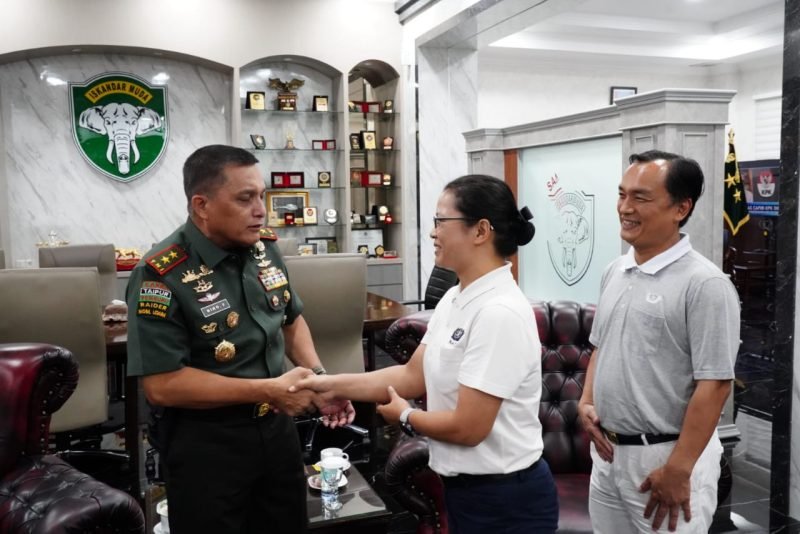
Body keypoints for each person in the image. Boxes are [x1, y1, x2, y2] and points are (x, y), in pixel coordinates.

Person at [291, 174, 559, 533]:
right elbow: (411, 375)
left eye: (440, 221)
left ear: (481, 231)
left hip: (506, 499)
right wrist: (329, 385)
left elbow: (469, 428)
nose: (433, 232)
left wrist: (406, 416)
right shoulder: (456, 297)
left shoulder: (499, 313)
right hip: (468, 491)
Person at [126, 144, 353, 534]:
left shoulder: (263, 249)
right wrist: (268, 390)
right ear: (201, 205)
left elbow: (290, 319)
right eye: (245, 198)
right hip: (208, 444)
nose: (261, 210)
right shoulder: (161, 273)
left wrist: (319, 378)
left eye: (261, 196)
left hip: (277, 431)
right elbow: (163, 384)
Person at [578, 150, 740, 533]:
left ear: (681, 208)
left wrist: (679, 469)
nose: (625, 207)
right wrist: (586, 401)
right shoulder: (615, 270)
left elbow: (715, 384)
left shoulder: (705, 284)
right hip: (608, 456)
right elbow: (602, 345)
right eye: (622, 194)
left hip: (665, 458)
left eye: (641, 197)